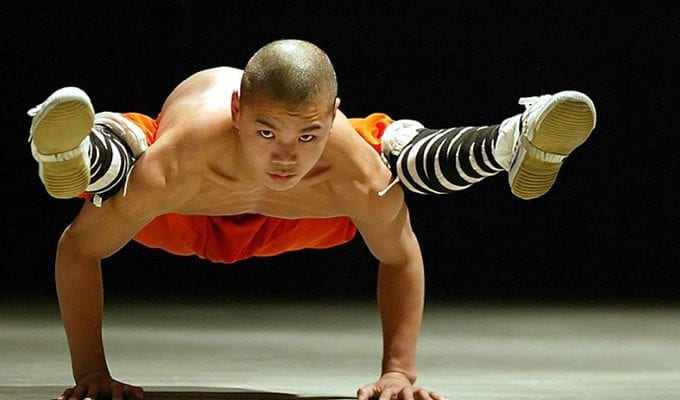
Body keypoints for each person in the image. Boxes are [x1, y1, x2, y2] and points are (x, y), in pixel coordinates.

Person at [27, 39, 596, 400]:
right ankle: (80, 154)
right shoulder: (179, 161)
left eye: (308, 134)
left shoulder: (348, 166)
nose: (286, 156)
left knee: (392, 153)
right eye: (266, 131)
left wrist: (398, 372)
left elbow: (400, 254)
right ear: (236, 112)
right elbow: (79, 248)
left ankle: (508, 142)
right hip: (188, 210)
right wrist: (91, 372)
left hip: (302, 214)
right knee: (130, 152)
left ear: (332, 116)